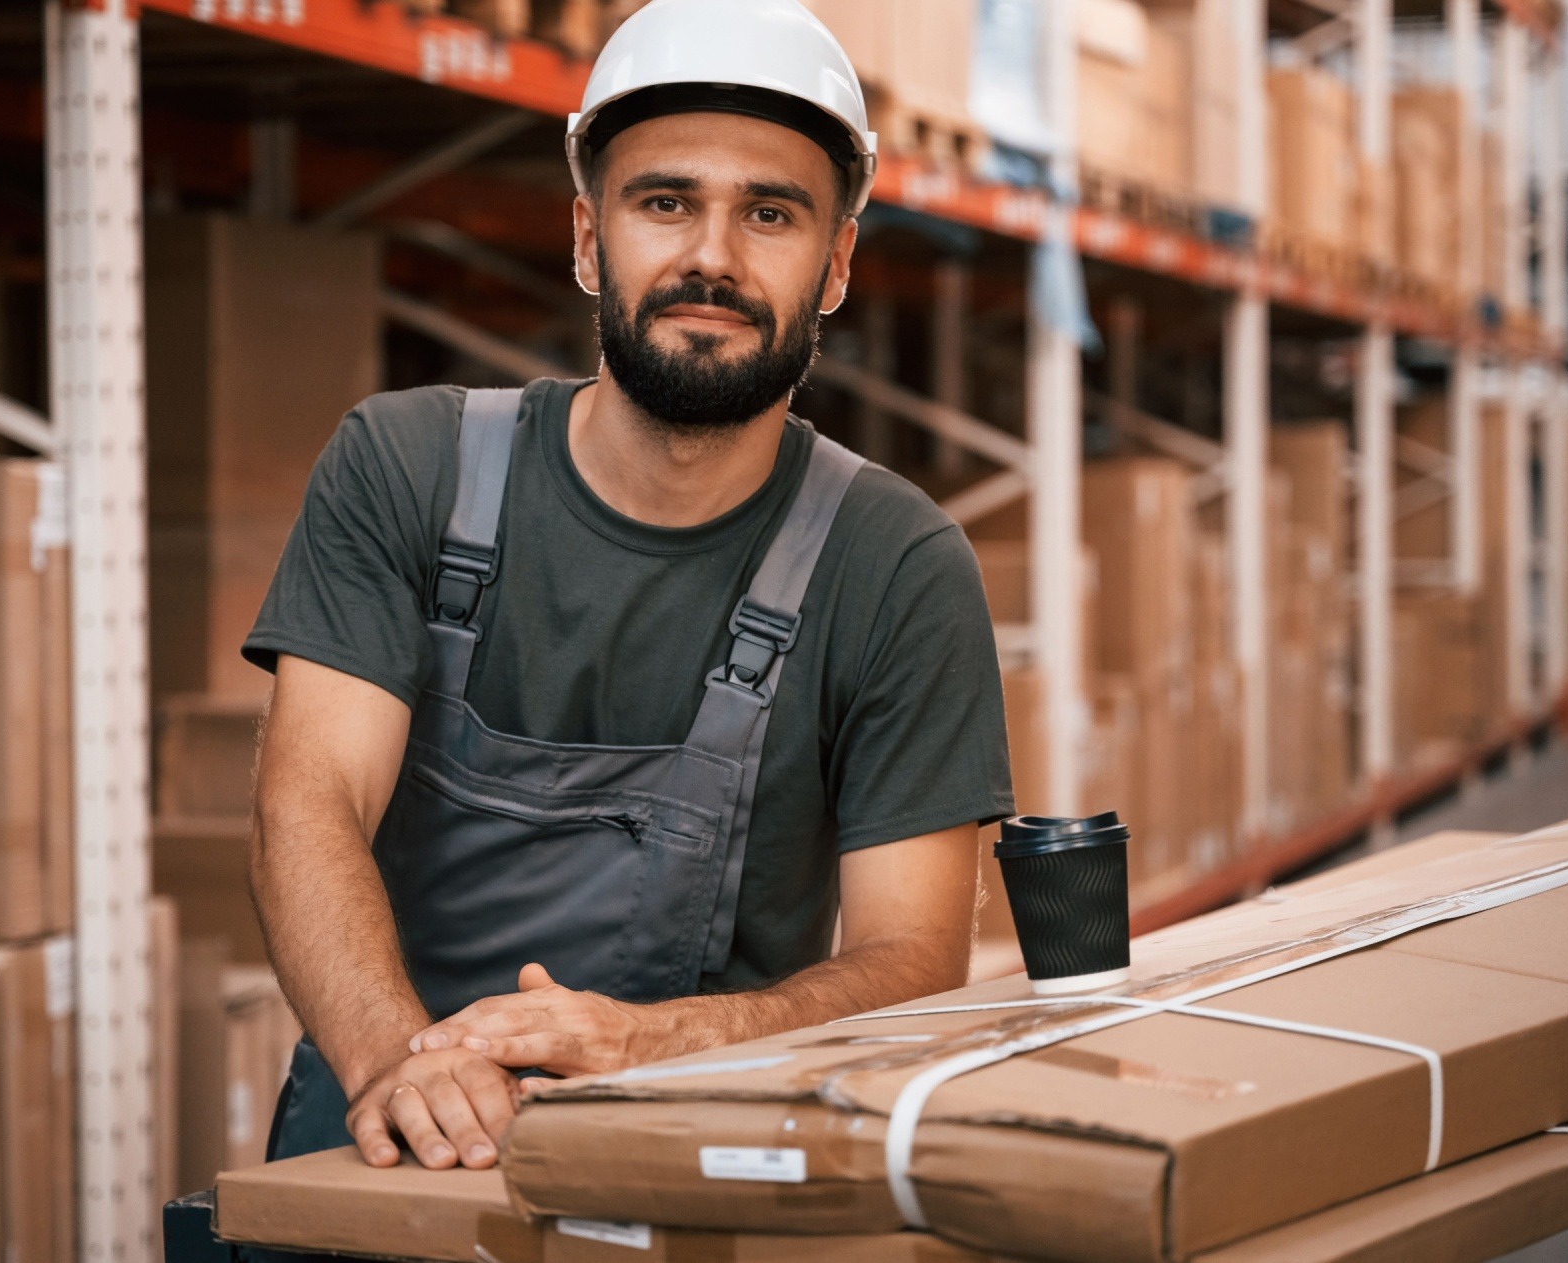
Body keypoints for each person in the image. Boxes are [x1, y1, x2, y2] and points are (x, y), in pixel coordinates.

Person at [243, 0, 1014, 1172]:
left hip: (698, 1161)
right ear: (588, 239)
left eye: (770, 212)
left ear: (837, 263)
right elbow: (306, 806)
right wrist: (401, 1065)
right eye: (665, 203)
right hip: (380, 1141)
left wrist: (653, 1042)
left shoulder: (894, 567)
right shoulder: (405, 468)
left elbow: (910, 963)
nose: (712, 256)